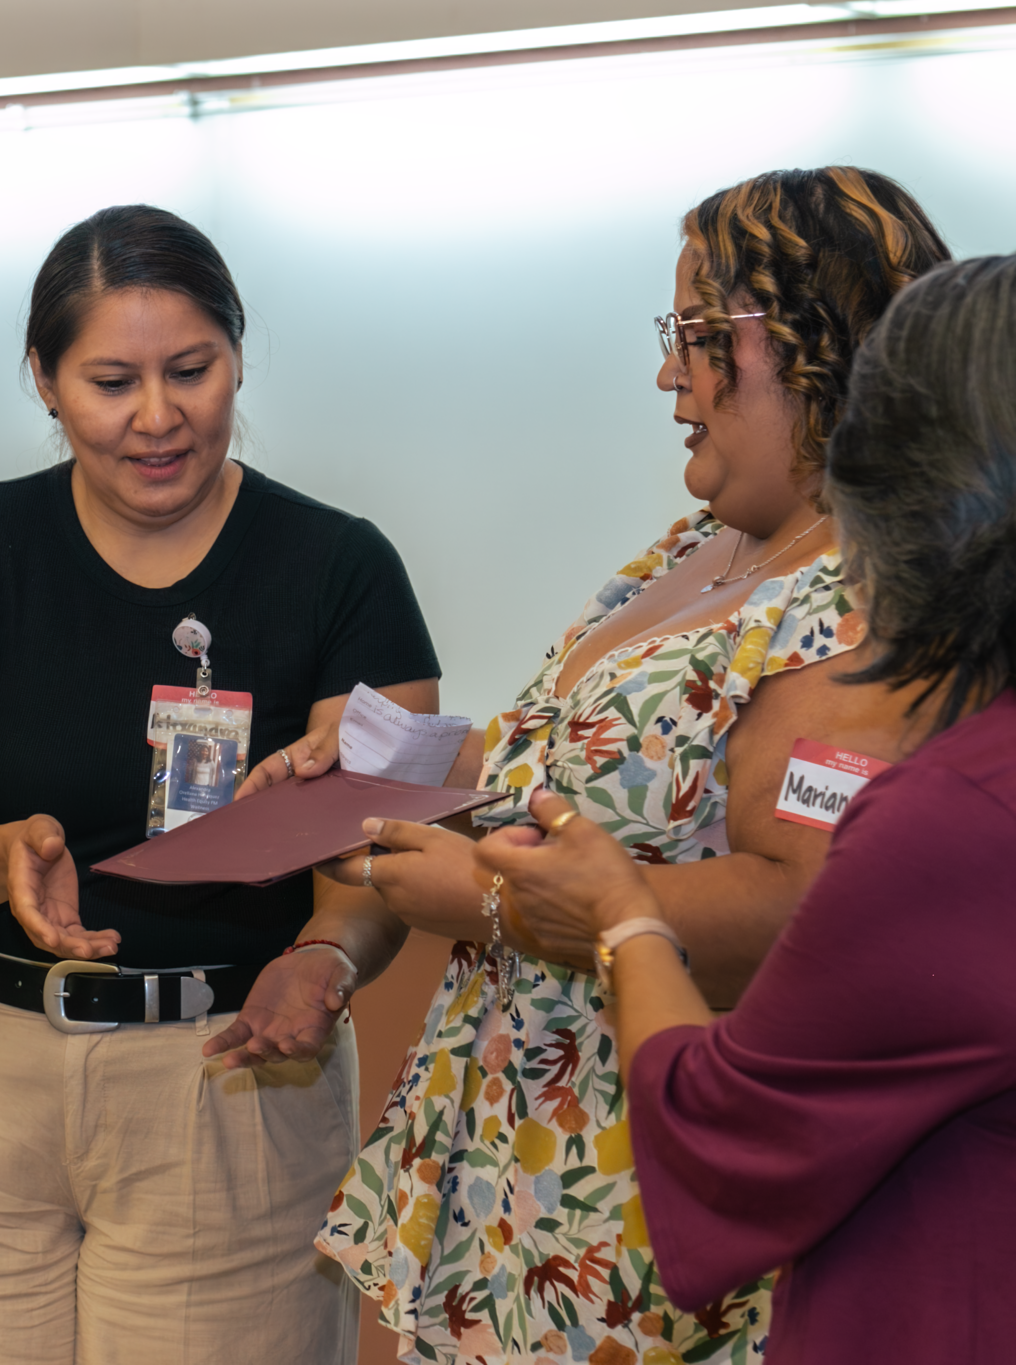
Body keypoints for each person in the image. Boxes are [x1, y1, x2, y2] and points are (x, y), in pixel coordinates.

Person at [292, 168, 952, 1363]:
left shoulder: (863, 594)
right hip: (523, 1164)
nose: (668, 375)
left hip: (646, 1200)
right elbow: (586, 762)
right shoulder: (705, 545)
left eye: (701, 336)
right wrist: (393, 759)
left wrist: (485, 900)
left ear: (820, 346)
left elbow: (806, 904)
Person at [0, 203, 443, 1364]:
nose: (157, 418)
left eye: (192, 371)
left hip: (228, 1080)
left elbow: (381, 855)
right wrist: (1, 854)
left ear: (237, 356)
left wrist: (322, 957)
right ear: (42, 378)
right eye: (110, 381)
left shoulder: (339, 567)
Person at [479, 252, 1016, 1365]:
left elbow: (719, 1132)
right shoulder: (681, 556)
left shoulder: (954, 818)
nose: (673, 378)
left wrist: (621, 919)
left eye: (701, 335)